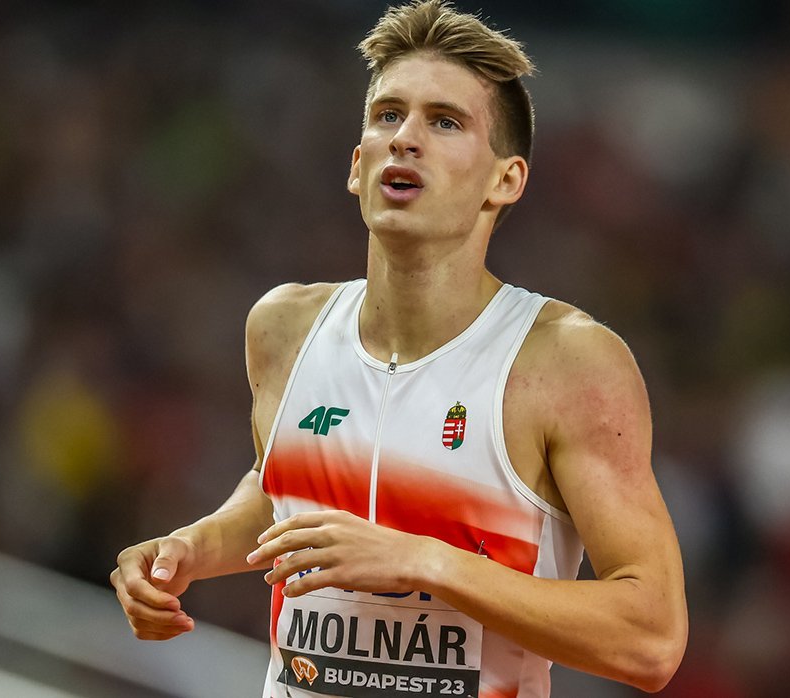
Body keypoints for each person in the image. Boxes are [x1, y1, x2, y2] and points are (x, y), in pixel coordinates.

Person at [110, 1, 687, 695]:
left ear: (505, 180)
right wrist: (189, 548)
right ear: (358, 166)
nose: (406, 138)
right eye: (388, 115)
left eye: (444, 122)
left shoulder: (566, 362)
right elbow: (282, 490)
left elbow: (651, 639)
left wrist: (426, 562)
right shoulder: (284, 327)